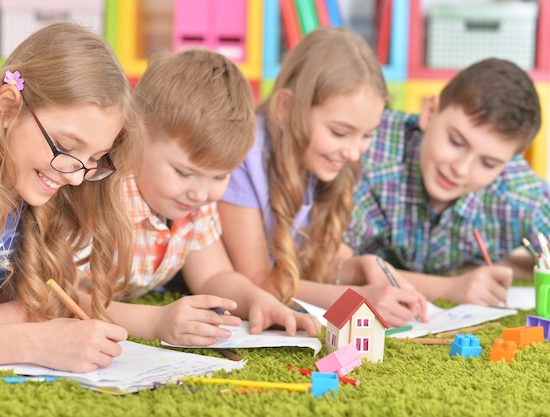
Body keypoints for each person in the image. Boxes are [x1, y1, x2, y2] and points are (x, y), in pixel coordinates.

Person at [0, 22, 138, 372]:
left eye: (96, 159)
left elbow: (35, 302)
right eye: (67, 147)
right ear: (8, 107)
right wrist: (32, 341)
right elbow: (22, 322)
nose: (75, 175)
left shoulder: (41, 178)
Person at [77, 47, 321, 344]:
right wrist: (153, 321)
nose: (201, 193)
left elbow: (213, 276)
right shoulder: (97, 195)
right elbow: (60, 297)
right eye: (183, 172)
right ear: (136, 136)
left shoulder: (193, 202)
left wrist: (259, 301)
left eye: (219, 177)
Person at [217, 27, 428, 328]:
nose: (354, 152)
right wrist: (352, 298)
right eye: (340, 132)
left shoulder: (327, 161)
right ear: (287, 107)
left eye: (367, 135)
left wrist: (363, 265)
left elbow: (326, 261)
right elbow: (257, 280)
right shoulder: (244, 155)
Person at [344, 57, 549, 307]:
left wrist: (510, 267)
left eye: (488, 163)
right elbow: (333, 266)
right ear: (430, 112)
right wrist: (449, 287)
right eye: (456, 142)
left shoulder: (521, 194)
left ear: (509, 163)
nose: (460, 169)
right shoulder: (369, 147)